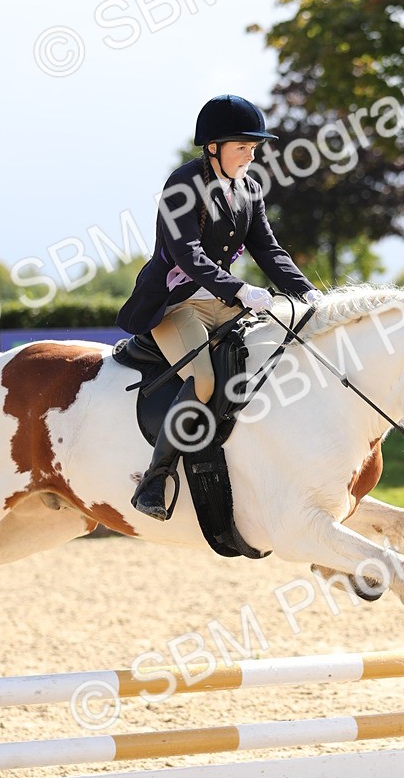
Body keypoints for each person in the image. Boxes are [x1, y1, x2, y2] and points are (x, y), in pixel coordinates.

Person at [117, 94, 321, 520]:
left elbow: (269, 250)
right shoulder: (183, 186)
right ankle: (155, 480)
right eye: (242, 147)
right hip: (178, 305)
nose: (251, 155)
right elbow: (187, 252)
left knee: (273, 359)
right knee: (205, 381)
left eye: (254, 148)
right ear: (213, 147)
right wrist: (240, 290)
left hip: (225, 303)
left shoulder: (249, 189)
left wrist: (309, 294)